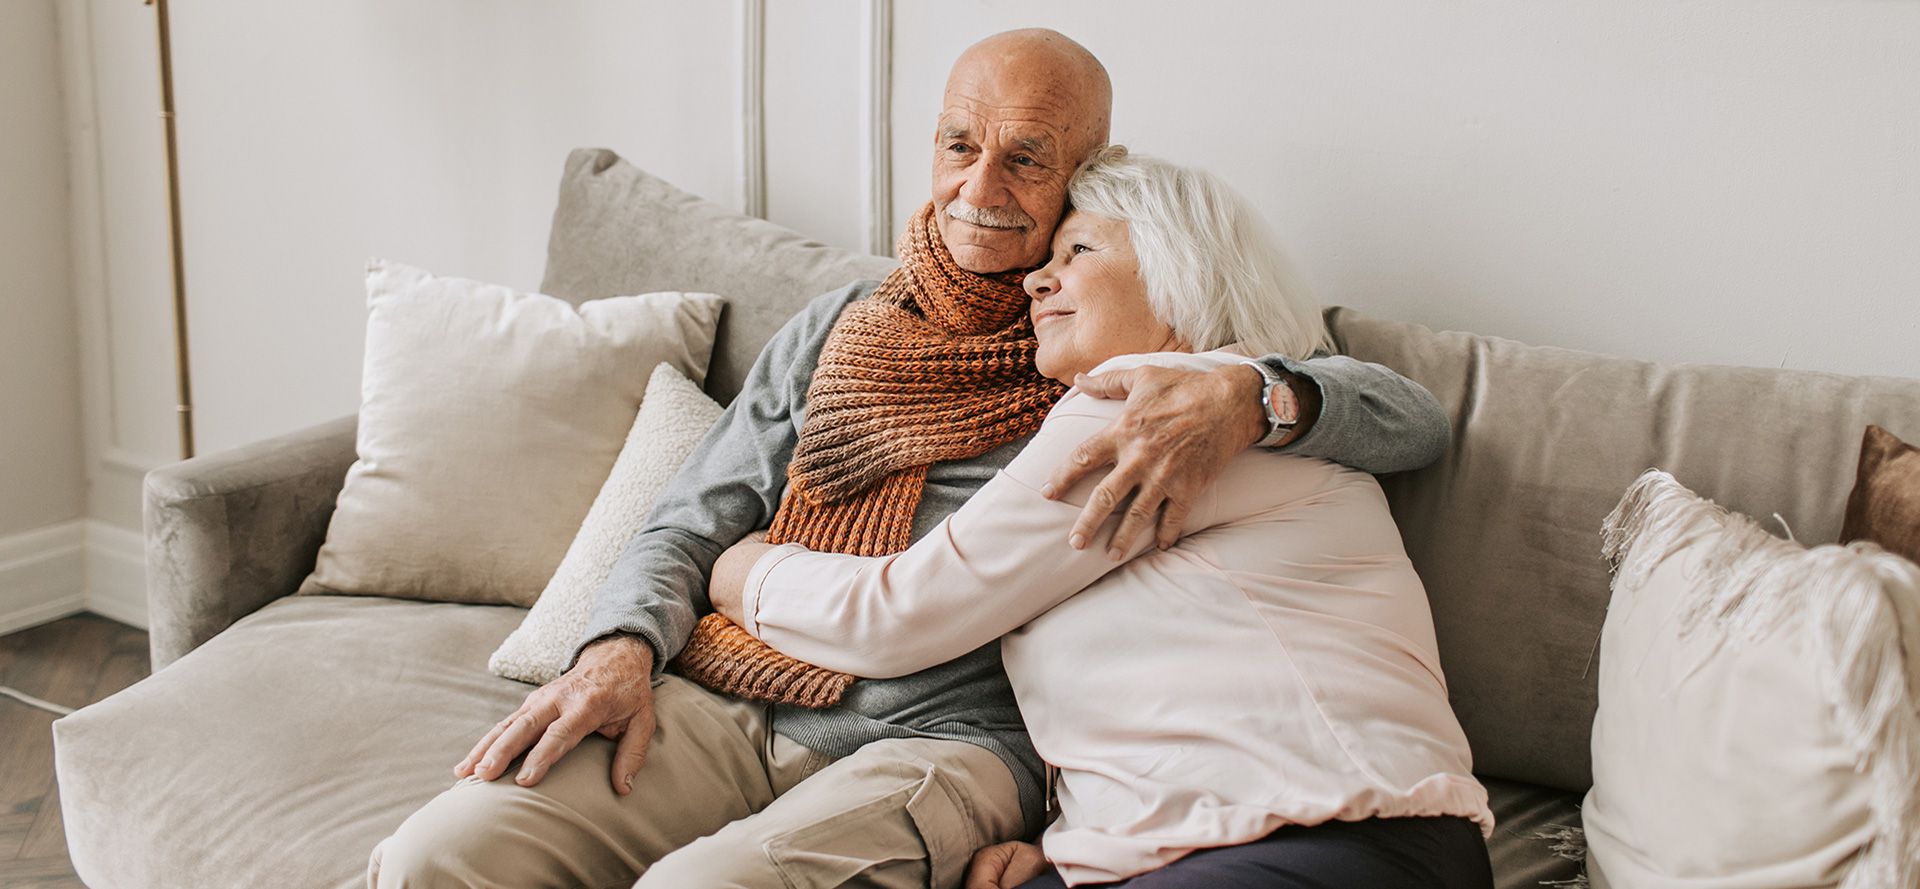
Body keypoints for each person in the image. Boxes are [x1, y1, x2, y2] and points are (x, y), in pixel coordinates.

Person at [369, 29, 1451, 889]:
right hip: (742, 684)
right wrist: (614, 649)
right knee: (440, 857)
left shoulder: (1135, 378)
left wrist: (1251, 393)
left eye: (1028, 158)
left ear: (1085, 177)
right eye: (958, 145)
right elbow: (690, 516)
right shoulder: (845, 323)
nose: (981, 185)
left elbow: (1407, 418)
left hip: (945, 735)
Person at [707, 146, 1495, 889]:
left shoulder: (1153, 405)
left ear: (1181, 271)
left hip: (1334, 834)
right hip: (1261, 842)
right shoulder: (1233, 403)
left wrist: (744, 573)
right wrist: (1065, 846)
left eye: (1078, 252)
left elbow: (896, 616)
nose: (1036, 283)